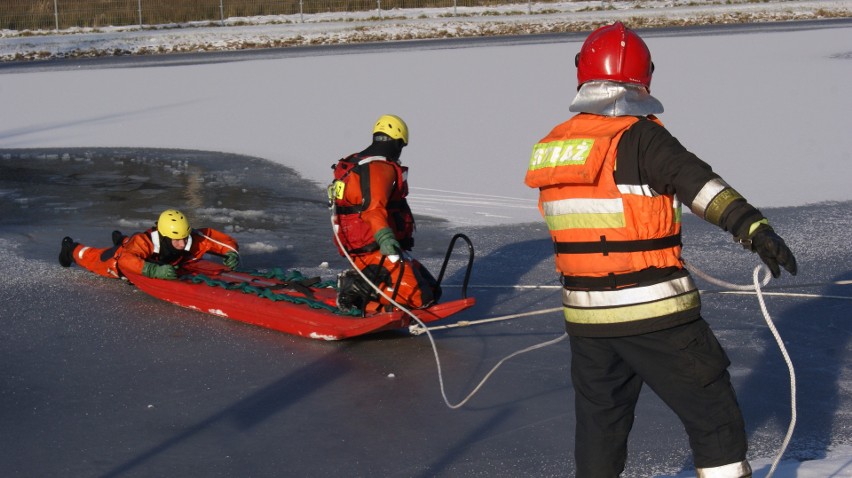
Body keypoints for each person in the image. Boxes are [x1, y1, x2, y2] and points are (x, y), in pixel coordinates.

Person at [524, 22, 797, 478]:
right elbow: (703, 188)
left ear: (583, 73)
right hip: (655, 311)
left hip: (587, 320)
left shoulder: (555, 145)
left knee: (600, 428)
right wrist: (755, 228)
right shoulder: (643, 137)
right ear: (643, 76)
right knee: (713, 414)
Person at [330, 114, 440, 313]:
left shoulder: (356, 162)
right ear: (398, 141)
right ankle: (354, 287)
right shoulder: (379, 168)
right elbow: (373, 210)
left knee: (432, 289)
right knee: (420, 298)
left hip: (363, 243)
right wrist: (385, 239)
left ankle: (368, 289)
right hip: (374, 247)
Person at [59, 209, 240, 280]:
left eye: (185, 238)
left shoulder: (187, 239)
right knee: (97, 258)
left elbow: (212, 238)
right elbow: (127, 260)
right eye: (177, 240)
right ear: (164, 236)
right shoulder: (146, 242)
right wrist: (153, 271)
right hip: (120, 261)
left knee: (130, 243)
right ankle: (71, 249)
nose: (183, 243)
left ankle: (122, 238)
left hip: (135, 245)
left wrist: (231, 252)